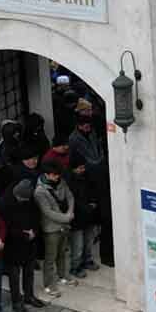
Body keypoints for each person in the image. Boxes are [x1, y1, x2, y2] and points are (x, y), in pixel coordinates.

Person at [67, 100, 114, 267]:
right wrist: (94, 165)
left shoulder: (92, 133)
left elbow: (97, 150)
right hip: (92, 182)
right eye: (85, 126)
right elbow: (87, 159)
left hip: (99, 176)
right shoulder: (75, 141)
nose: (88, 128)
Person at [0, 179, 46, 312]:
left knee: (29, 272)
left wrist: (34, 232)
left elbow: (37, 217)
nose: (23, 201)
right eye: (21, 198)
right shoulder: (4, 203)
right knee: (14, 276)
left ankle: (29, 296)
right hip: (13, 246)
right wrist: (23, 234)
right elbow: (5, 228)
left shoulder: (29, 200)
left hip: (29, 243)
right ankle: (16, 302)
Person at [34, 160, 74, 297]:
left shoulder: (61, 182)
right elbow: (47, 212)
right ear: (47, 174)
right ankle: (49, 285)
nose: (57, 177)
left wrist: (70, 212)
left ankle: (63, 276)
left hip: (64, 224)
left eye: (58, 175)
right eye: (55, 175)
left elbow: (70, 196)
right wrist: (67, 218)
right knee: (50, 258)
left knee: (63, 253)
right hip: (51, 228)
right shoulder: (40, 191)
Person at [68, 160, 99, 278]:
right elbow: (72, 200)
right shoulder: (69, 181)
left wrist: (92, 203)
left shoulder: (87, 178)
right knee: (77, 245)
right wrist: (87, 207)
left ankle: (87, 260)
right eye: (79, 168)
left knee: (88, 241)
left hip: (89, 216)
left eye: (83, 167)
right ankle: (75, 267)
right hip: (77, 218)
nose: (82, 170)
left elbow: (93, 192)